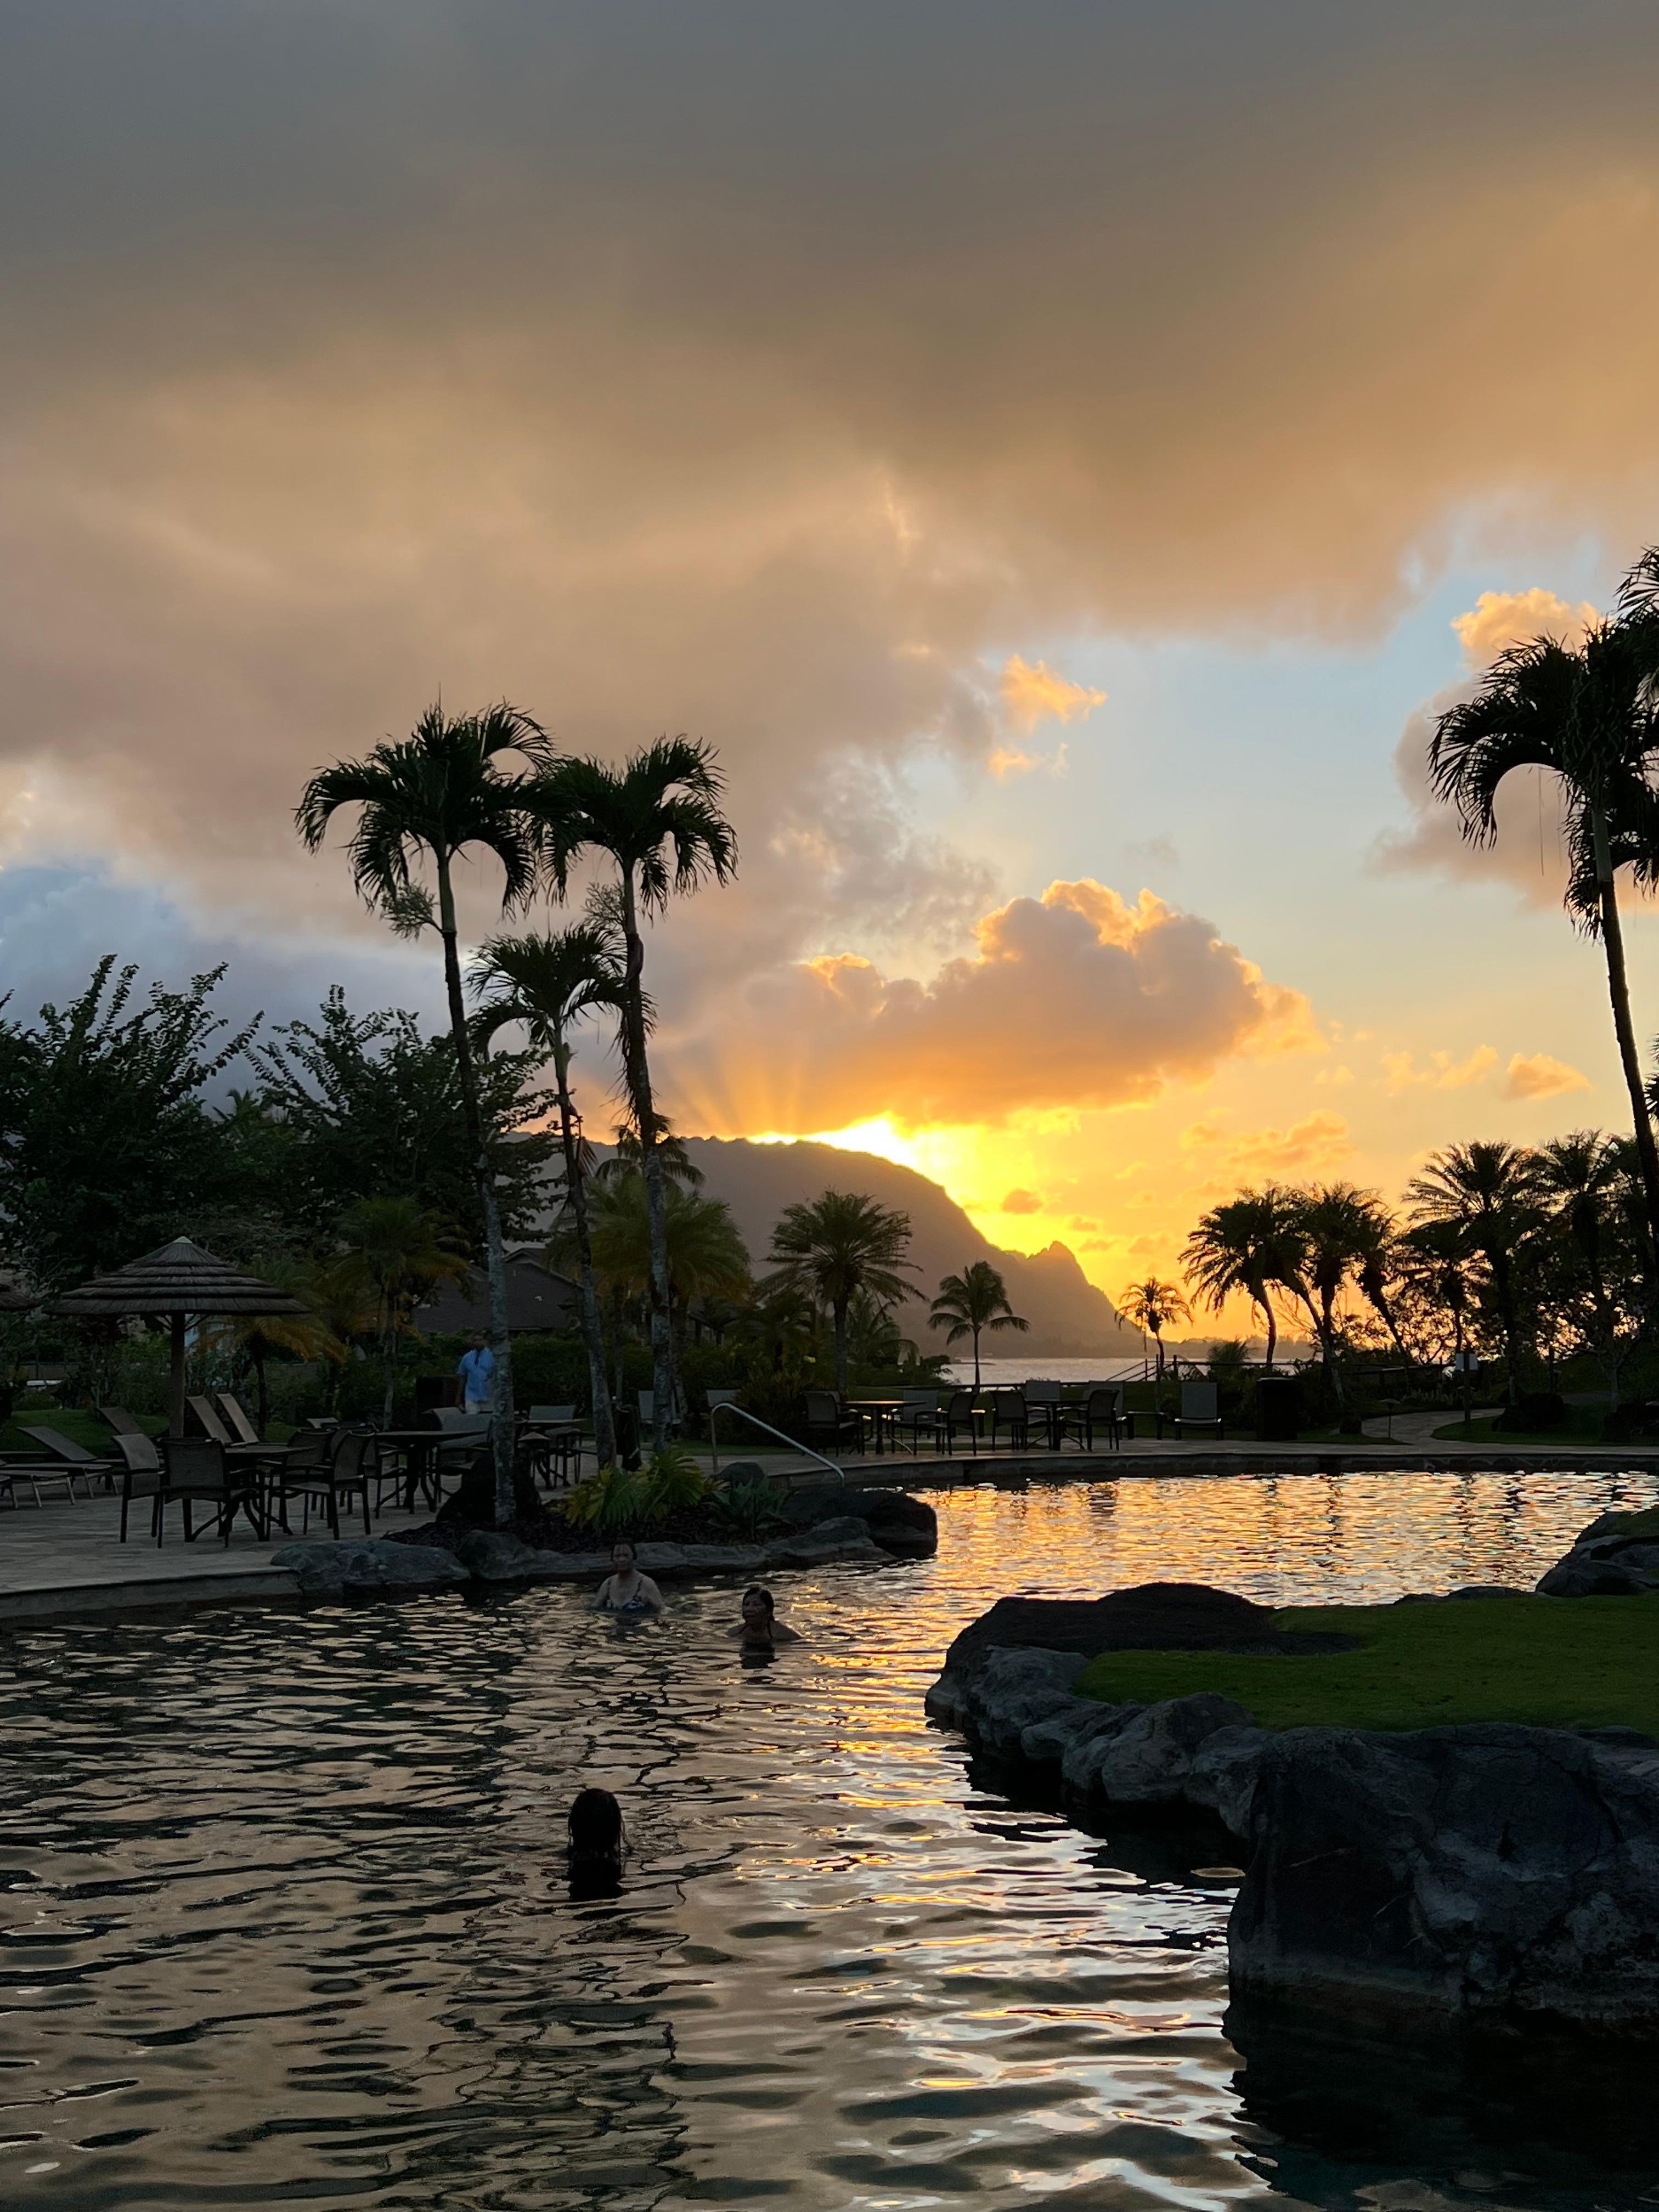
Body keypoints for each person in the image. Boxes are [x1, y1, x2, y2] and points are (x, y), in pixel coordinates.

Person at [595, 1538, 664, 1615]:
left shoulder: (646, 1584)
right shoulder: (608, 1584)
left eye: (626, 1556)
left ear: (634, 1557)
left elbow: (662, 1610)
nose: (621, 1560)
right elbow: (594, 1609)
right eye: (617, 1556)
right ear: (612, 1559)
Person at [729, 1584, 801, 1649]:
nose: (749, 1609)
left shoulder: (783, 1634)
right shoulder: (734, 1633)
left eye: (756, 1605)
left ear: (769, 1611)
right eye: (746, 1604)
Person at [456, 1332, 495, 1414]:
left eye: (480, 1340)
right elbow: (462, 1378)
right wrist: (459, 1397)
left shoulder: (493, 1357)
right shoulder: (467, 1358)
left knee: (488, 1419)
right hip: (472, 1396)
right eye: (476, 1340)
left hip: (489, 1396)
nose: (478, 1343)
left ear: (484, 1341)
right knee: (472, 1419)